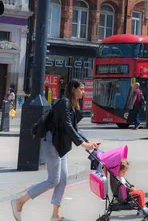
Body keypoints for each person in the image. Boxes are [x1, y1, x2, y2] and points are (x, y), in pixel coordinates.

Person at [11, 79, 98, 221]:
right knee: (53, 180)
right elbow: (68, 126)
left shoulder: (71, 104)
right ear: (73, 89)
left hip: (61, 144)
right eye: (81, 89)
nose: (84, 92)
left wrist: (87, 141)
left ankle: (56, 215)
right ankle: (20, 201)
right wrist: (82, 144)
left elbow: (74, 128)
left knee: (63, 179)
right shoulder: (64, 103)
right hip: (52, 143)